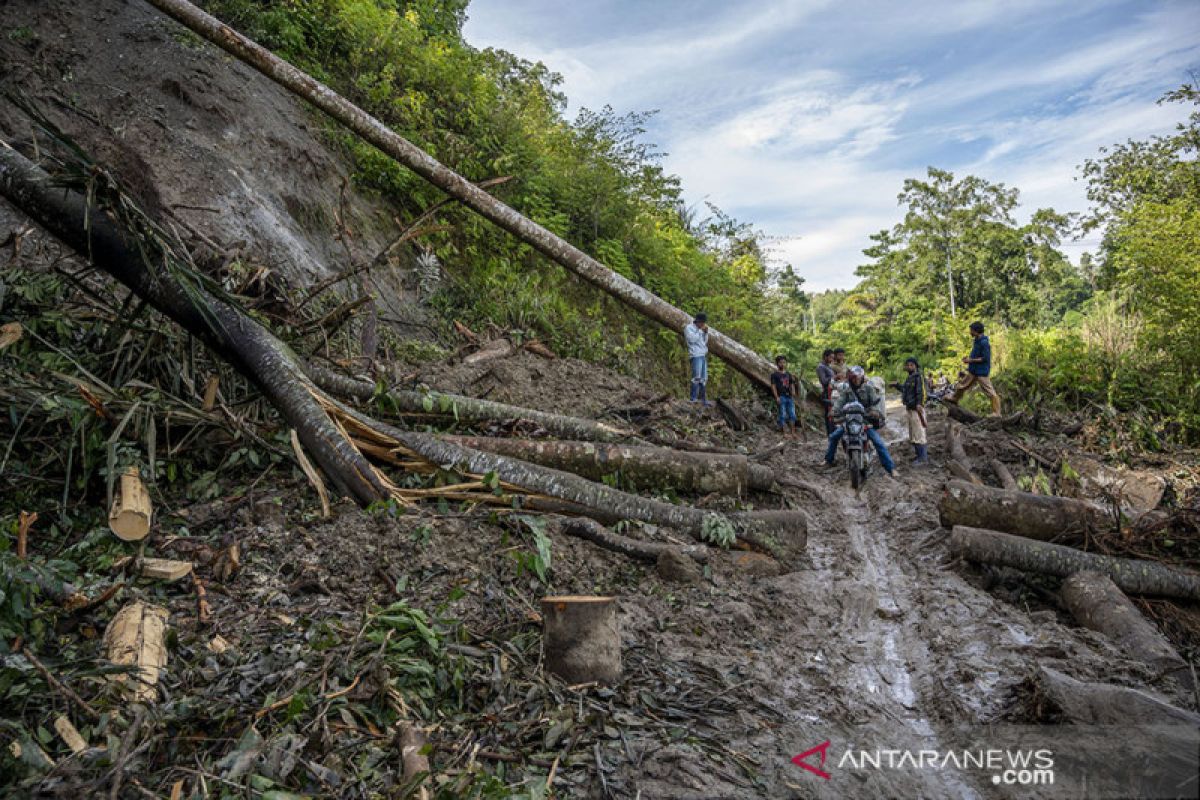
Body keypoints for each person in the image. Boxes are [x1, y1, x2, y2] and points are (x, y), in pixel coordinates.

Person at [824, 365, 897, 477]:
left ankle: (891, 468)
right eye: (854, 378)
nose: (856, 380)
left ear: (862, 378)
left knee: (879, 443)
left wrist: (875, 412)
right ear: (850, 378)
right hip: (849, 420)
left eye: (858, 378)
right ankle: (828, 460)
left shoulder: (869, 389)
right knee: (834, 437)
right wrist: (833, 411)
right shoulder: (847, 390)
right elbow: (839, 402)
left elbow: (875, 403)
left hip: (865, 421)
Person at [946, 321, 1001, 416]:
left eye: (971, 330)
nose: (970, 332)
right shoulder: (976, 340)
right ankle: (955, 398)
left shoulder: (984, 343)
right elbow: (976, 354)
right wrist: (968, 359)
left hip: (981, 372)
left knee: (990, 391)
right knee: (962, 384)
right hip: (973, 370)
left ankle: (997, 412)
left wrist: (970, 360)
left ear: (976, 331)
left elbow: (984, 358)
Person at [899, 357, 928, 464]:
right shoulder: (909, 378)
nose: (909, 367)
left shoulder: (918, 377)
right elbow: (905, 390)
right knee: (913, 433)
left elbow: (922, 392)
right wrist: (897, 385)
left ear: (915, 366)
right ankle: (918, 456)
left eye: (911, 365)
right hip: (910, 408)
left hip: (917, 409)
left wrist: (920, 404)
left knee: (919, 433)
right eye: (908, 365)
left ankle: (923, 458)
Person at [683, 313, 710, 405]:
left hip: (702, 354)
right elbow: (692, 339)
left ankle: (703, 400)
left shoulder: (701, 329)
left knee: (703, 378)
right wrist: (699, 331)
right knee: (696, 377)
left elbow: (704, 342)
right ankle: (693, 398)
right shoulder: (689, 328)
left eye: (703, 323)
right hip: (695, 355)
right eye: (702, 323)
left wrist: (706, 333)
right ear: (698, 321)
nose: (703, 325)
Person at [771, 355, 800, 436]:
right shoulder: (774, 375)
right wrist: (776, 397)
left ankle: (793, 432)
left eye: (784, 362)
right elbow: (773, 386)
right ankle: (784, 433)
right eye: (780, 363)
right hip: (781, 396)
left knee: (792, 414)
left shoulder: (788, 374)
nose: (782, 364)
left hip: (789, 397)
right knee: (782, 414)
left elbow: (791, 384)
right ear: (777, 364)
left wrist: (793, 392)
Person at [816, 349, 836, 434]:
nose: (832, 359)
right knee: (829, 414)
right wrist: (834, 377)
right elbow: (823, 381)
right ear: (825, 357)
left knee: (834, 412)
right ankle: (830, 433)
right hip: (827, 393)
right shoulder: (821, 367)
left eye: (833, 358)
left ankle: (834, 432)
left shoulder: (829, 367)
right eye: (831, 357)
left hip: (833, 392)